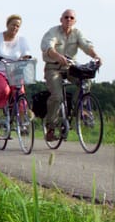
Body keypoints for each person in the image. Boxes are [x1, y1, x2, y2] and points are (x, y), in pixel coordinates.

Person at [40, 9, 102, 142]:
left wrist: (96, 56)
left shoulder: (77, 33)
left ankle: (78, 108)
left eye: (71, 18)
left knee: (85, 82)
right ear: (61, 19)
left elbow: (86, 45)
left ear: (75, 21)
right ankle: (50, 128)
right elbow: (47, 46)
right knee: (57, 96)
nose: (69, 20)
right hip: (53, 67)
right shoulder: (53, 32)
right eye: (66, 17)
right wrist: (57, 56)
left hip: (70, 67)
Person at [0, 14, 33, 127]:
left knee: (20, 93)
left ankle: (22, 119)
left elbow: (26, 54)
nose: (15, 28)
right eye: (13, 25)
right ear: (7, 25)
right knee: (4, 90)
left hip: (14, 70)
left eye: (17, 26)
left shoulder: (22, 39)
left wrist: (24, 59)